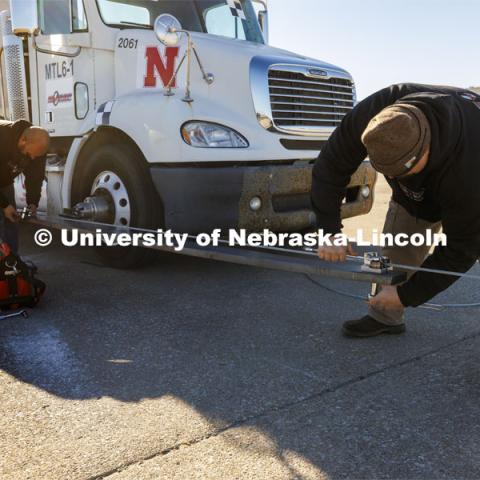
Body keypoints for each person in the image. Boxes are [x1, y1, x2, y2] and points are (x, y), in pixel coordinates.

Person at [311, 83, 480, 337]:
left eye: (402, 171)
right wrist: (328, 230)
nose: (394, 178)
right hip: (419, 195)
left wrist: (406, 295)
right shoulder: (376, 114)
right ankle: (385, 317)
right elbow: (329, 167)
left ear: (426, 148)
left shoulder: (470, 164)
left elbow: (462, 248)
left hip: (468, 179)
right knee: (397, 249)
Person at [0, 120, 49, 254]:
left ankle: (12, 262)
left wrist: (32, 202)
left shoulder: (37, 147)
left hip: (4, 181)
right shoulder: (3, 137)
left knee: (11, 219)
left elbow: (35, 176)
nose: (32, 158)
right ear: (23, 140)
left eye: (36, 156)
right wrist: (4, 205)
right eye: (29, 155)